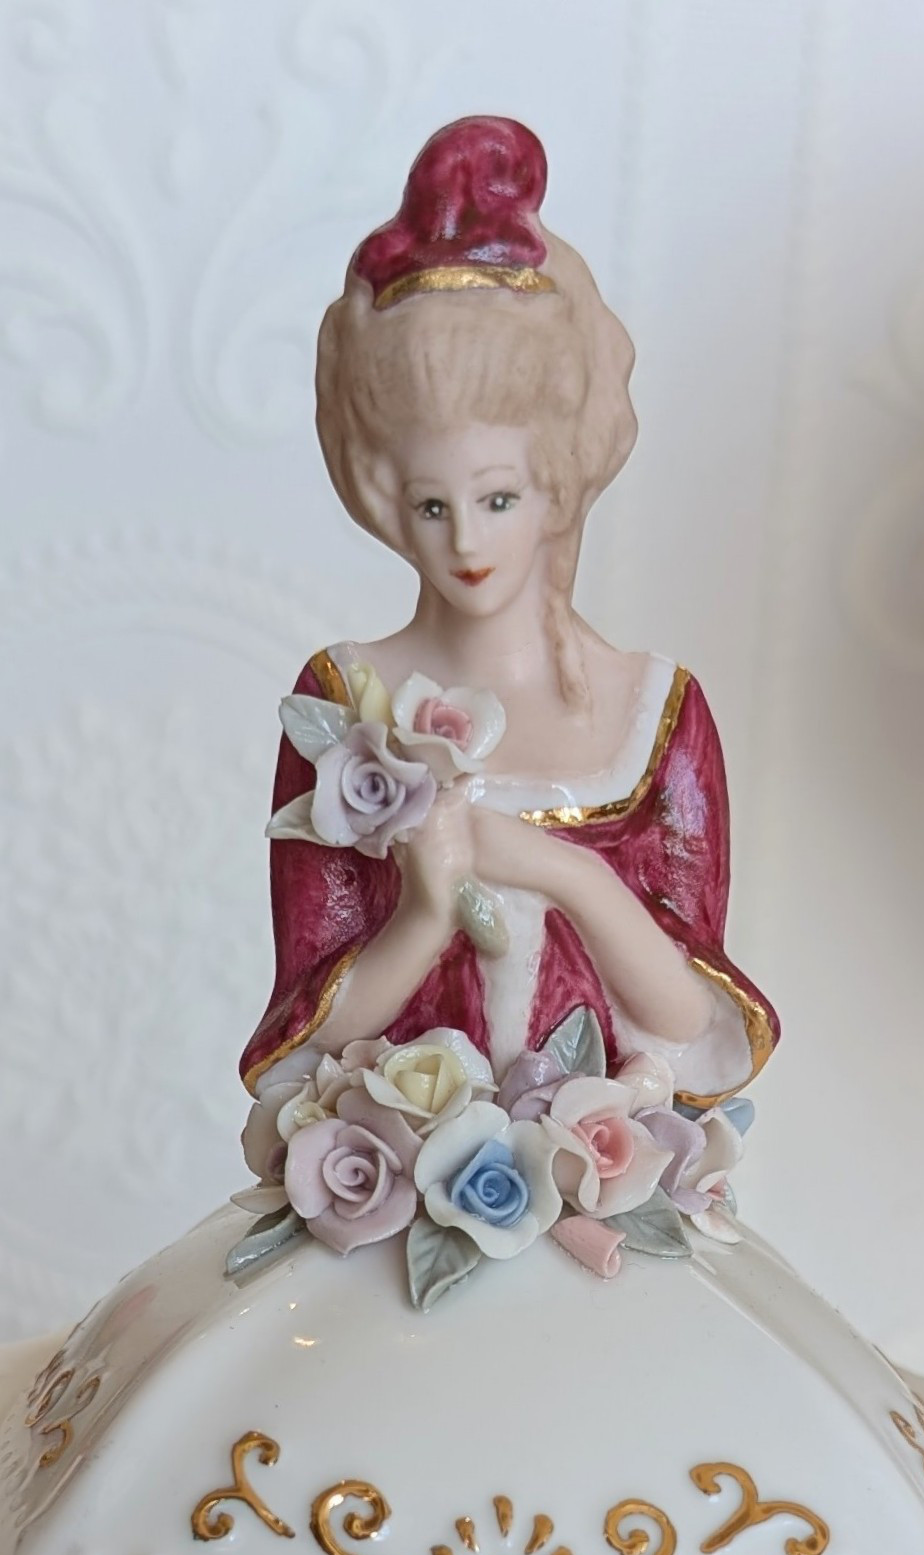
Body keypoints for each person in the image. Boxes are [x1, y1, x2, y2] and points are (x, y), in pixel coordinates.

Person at [240, 115, 777, 1111]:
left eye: (497, 499)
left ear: (555, 482)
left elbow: (690, 1024)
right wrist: (425, 910)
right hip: (391, 1176)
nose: (466, 542)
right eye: (430, 506)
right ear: (384, 494)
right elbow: (305, 1033)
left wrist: (557, 870)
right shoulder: (344, 706)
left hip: (596, 1187)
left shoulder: (655, 711)